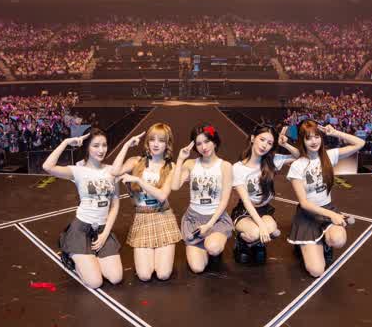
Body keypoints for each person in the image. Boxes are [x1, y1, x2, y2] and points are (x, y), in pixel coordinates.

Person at [42, 128, 144, 288]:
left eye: (104, 145)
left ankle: (89, 258)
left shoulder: (112, 170)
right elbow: (48, 167)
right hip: (81, 229)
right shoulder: (78, 170)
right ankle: (72, 255)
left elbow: (115, 205)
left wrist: (105, 234)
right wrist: (66, 142)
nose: (101, 150)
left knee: (116, 277)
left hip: (102, 230)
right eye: (96, 145)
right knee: (95, 282)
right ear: (87, 148)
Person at [286, 120, 365, 277]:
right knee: (316, 271)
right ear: (302, 141)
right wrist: (332, 215)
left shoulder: (329, 156)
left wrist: (335, 133)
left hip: (327, 208)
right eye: (308, 138)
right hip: (307, 215)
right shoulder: (297, 166)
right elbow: (304, 203)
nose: (314, 141)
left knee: (338, 240)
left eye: (317, 136)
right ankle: (303, 247)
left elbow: (360, 143)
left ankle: (325, 242)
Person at [117, 123, 182, 281]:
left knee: (163, 274)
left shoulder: (171, 167)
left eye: (161, 140)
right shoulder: (136, 161)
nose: (156, 144)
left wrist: (139, 180)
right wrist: (126, 145)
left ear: (167, 144)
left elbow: (162, 196)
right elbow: (114, 171)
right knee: (144, 276)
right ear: (147, 142)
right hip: (142, 218)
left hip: (163, 217)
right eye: (152, 139)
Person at [231, 124, 299, 264]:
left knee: (272, 228)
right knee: (257, 232)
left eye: (269, 143)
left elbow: (300, 156)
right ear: (252, 138)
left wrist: (285, 144)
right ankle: (242, 241)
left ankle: (256, 243)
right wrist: (261, 226)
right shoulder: (238, 168)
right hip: (245, 211)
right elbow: (246, 201)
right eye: (262, 139)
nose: (264, 145)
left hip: (264, 210)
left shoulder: (272, 161)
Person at [171, 122, 233, 273]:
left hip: (215, 219)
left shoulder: (225, 166)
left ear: (214, 142)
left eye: (207, 141)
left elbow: (224, 200)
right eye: (199, 143)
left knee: (213, 248)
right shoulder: (190, 164)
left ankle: (213, 244)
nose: (204, 147)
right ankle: (205, 245)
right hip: (194, 220)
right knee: (197, 268)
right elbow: (174, 186)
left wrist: (209, 225)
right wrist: (180, 160)